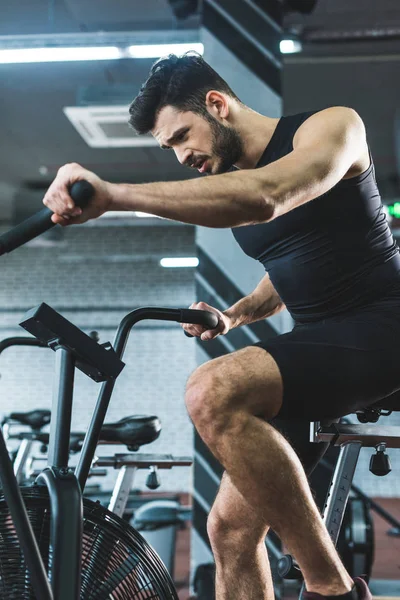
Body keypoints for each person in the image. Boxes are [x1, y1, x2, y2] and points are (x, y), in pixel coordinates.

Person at [43, 53, 400, 600]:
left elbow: (265, 199)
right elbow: (291, 272)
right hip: (324, 345)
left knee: (211, 389)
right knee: (229, 532)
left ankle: (332, 587)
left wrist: (115, 197)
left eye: (182, 136)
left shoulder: (332, 128)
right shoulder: (238, 180)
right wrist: (236, 313)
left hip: (382, 328)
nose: (182, 155)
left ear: (217, 104)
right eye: (170, 149)